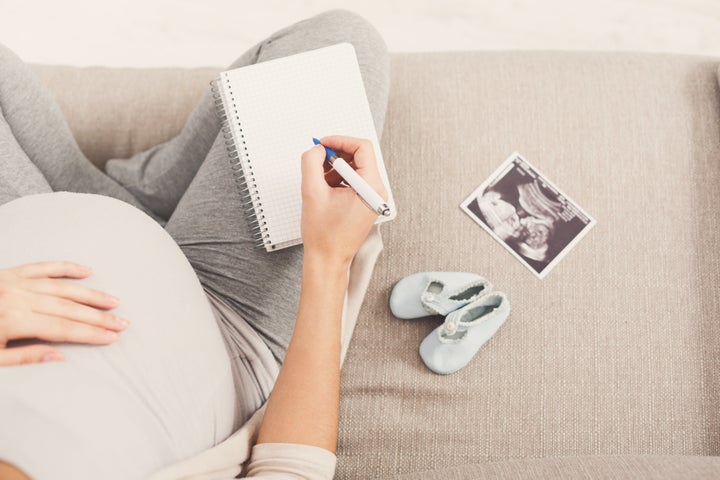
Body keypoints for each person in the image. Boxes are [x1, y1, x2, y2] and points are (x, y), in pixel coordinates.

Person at [0, 9, 389, 480]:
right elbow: (292, 467)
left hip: (23, 242)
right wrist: (330, 260)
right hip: (228, 323)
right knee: (333, 48)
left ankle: (124, 197)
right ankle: (132, 204)